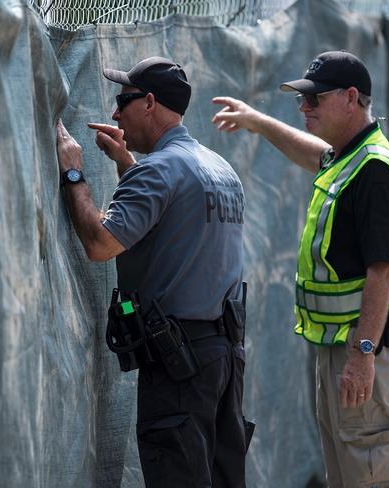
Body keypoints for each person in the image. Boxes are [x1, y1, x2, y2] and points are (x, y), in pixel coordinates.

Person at [212, 50, 389, 487]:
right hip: (349, 350)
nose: (305, 108)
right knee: (350, 476)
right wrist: (259, 121)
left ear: (350, 98)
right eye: (301, 100)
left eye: (314, 100)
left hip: (370, 354)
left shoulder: (374, 171)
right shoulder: (349, 156)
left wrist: (362, 356)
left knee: (376, 478)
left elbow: (381, 273)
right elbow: (314, 154)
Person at [56, 57, 249, 487]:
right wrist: (127, 164)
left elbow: (100, 244)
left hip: (180, 365)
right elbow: (169, 224)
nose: (114, 112)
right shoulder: (219, 169)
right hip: (224, 359)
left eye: (122, 100)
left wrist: (73, 173)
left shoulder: (159, 170)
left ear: (149, 103)